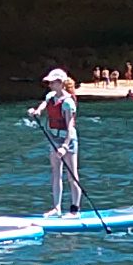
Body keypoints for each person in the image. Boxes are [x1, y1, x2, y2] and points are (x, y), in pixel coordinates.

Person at [26, 66, 86, 214]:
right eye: (49, 82)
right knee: (56, 174)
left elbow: (70, 127)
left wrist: (64, 146)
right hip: (54, 138)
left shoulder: (68, 103)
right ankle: (57, 207)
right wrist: (36, 112)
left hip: (68, 141)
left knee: (72, 176)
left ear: (60, 83)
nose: (50, 85)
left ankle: (75, 210)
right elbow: (43, 105)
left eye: (53, 82)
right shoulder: (50, 96)